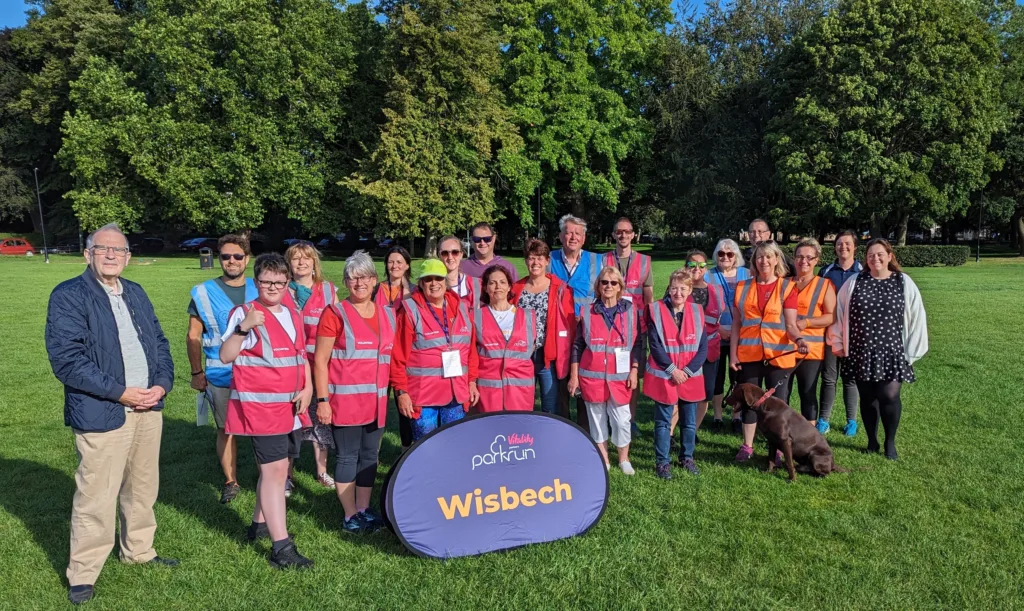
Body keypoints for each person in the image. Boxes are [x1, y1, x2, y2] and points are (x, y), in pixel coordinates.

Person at [46, 223, 176, 605]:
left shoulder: (135, 292)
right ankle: (83, 573)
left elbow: (161, 343)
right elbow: (67, 360)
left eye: (118, 250)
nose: (110, 255)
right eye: (102, 249)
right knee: (96, 496)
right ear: (87, 254)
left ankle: (138, 551)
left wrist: (162, 384)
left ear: (128, 257)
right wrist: (121, 392)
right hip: (103, 410)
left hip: (148, 407)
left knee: (142, 489)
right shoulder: (69, 295)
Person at [220, 253, 314, 570]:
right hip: (262, 408)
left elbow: (301, 355)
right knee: (275, 473)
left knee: (277, 468)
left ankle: (259, 524)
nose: (272, 287)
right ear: (255, 281)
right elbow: (225, 355)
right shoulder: (244, 312)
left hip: (292, 406)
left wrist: (309, 387)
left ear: (287, 283)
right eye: (265, 281)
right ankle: (281, 548)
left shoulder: (292, 312)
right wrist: (244, 328)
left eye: (278, 281)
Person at [313, 251, 395, 533]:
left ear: (374, 281)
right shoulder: (334, 313)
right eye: (352, 278)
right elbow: (320, 361)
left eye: (364, 277)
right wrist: (322, 401)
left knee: (371, 456)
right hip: (345, 401)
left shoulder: (387, 314)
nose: (358, 283)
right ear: (346, 282)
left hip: (377, 402)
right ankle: (349, 515)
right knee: (348, 456)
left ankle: (363, 508)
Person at [829, 239, 928, 460]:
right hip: (861, 351)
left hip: (892, 352)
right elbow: (840, 313)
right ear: (866, 259)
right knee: (867, 397)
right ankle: (871, 440)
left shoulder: (903, 281)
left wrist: (912, 352)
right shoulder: (855, 281)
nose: (876, 259)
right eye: (871, 255)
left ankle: (890, 441)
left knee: (889, 395)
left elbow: (917, 316)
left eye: (880, 254)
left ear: (890, 256)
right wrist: (837, 343)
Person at [186, 234, 256, 504]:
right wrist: (196, 373)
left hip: (257, 373)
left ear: (246, 259)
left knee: (264, 428)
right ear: (219, 258)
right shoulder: (203, 292)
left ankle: (275, 477)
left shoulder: (260, 286)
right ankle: (231, 481)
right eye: (226, 256)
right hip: (219, 373)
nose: (232, 261)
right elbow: (193, 335)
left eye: (237, 256)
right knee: (226, 429)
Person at [729, 241, 809, 462]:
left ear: (776, 260)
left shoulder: (788, 287)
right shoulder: (742, 287)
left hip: (778, 354)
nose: (763, 261)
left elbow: (791, 325)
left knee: (778, 404)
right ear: (754, 261)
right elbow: (736, 323)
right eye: (759, 257)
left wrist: (799, 339)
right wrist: (733, 354)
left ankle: (779, 447)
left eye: (768, 257)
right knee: (749, 401)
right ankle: (747, 446)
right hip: (749, 353)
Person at [391, 259, 479, 440]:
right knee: (426, 447)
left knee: (453, 442)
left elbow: (470, 350)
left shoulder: (462, 308)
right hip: (423, 396)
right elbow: (397, 356)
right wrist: (401, 392)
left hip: (456, 393)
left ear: (446, 281)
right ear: (421, 283)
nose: (434, 284)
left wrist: (472, 381)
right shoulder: (409, 310)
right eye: (428, 279)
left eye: (438, 278)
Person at [567, 267, 642, 474]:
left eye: (613, 283)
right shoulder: (587, 312)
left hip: (620, 378)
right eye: (604, 282)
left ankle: (624, 458)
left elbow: (637, 344)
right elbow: (577, 346)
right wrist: (574, 376)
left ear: (620, 287)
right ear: (598, 286)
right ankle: (604, 459)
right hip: (592, 376)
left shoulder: (630, 311)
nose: (608, 286)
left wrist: (635, 370)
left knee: (621, 420)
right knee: (597, 420)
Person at [282, 242, 338, 491]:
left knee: (321, 419)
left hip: (321, 364)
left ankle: (322, 471)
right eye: (296, 259)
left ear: (314, 262)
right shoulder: (282, 291)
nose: (302, 262)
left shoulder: (328, 290)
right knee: (291, 421)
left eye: (307, 258)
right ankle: (287, 475)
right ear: (289, 264)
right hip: (291, 367)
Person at [644, 271, 708, 479]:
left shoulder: (698, 312)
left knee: (689, 422)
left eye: (683, 288)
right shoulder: (656, 310)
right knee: (663, 422)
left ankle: (687, 457)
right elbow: (654, 345)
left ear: (690, 290)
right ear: (669, 289)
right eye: (674, 288)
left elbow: (702, 348)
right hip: (666, 375)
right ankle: (663, 463)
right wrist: (673, 370)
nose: (678, 292)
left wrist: (686, 372)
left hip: (690, 376)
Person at [549, 214, 601, 429]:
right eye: (568, 232)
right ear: (561, 236)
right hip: (557, 332)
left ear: (584, 238)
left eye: (577, 233)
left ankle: (584, 431)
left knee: (585, 380)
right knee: (560, 381)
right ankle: (561, 427)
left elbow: (606, 293)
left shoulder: (597, 261)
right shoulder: (548, 260)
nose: (573, 237)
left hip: (588, 331)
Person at [512, 239, 575, 414]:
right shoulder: (516, 288)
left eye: (540, 258)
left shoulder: (560, 289)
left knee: (550, 405)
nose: (535, 263)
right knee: (523, 404)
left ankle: (549, 439)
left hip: (547, 356)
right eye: (531, 258)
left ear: (547, 261)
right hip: (521, 357)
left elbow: (569, 326)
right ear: (526, 261)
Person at [471, 266, 538, 412]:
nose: (497, 286)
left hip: (520, 389)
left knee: (519, 433)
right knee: (490, 431)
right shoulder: (476, 316)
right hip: (489, 389)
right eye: (492, 283)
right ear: (486, 288)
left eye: (502, 282)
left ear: (509, 287)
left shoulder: (528, 316)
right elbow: (471, 354)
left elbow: (532, 347)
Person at [818, 230, 864, 435]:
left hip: (854, 334)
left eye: (847, 244)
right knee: (829, 377)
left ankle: (851, 421)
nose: (843, 247)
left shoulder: (863, 271)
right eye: (839, 243)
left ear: (855, 247)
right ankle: (823, 420)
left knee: (850, 378)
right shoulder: (826, 271)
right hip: (829, 332)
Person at [785, 238, 836, 424]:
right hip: (784, 347)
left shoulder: (824, 285)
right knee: (783, 393)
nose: (803, 261)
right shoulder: (784, 283)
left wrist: (806, 323)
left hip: (811, 351)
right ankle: (782, 432)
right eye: (799, 256)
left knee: (807, 393)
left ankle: (809, 437)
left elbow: (831, 316)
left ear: (816, 260)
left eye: (808, 257)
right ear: (793, 259)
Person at [706, 238, 751, 432]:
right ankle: (716, 416)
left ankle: (736, 415)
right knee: (717, 376)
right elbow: (703, 306)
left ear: (736, 257)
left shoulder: (747, 274)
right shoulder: (708, 275)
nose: (725, 257)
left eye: (730, 254)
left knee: (738, 377)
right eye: (721, 254)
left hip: (741, 334)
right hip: (716, 333)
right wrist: (718, 328)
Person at [374, 245, 414, 449]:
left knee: (404, 404)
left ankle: (406, 449)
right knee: (378, 404)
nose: (395, 265)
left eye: (399, 262)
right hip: (379, 355)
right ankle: (374, 449)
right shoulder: (375, 289)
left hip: (404, 356)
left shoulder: (415, 291)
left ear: (407, 265)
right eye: (391, 262)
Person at [680, 251, 722, 438]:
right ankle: (674, 432)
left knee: (706, 392)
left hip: (710, 350)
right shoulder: (678, 289)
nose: (697, 269)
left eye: (702, 265)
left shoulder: (716, 290)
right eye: (692, 265)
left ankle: (692, 431)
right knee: (682, 392)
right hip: (684, 352)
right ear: (685, 266)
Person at [605, 217, 654, 306]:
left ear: (632, 235)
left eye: (627, 232)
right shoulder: (603, 259)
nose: (623, 235)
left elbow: (649, 297)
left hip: (637, 318)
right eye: (619, 232)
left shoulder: (644, 261)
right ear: (613, 235)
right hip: (611, 317)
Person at [438, 235, 481, 309]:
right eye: (445, 253)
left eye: (455, 252)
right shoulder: (432, 286)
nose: (450, 257)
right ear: (439, 255)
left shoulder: (476, 284)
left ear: (461, 254)